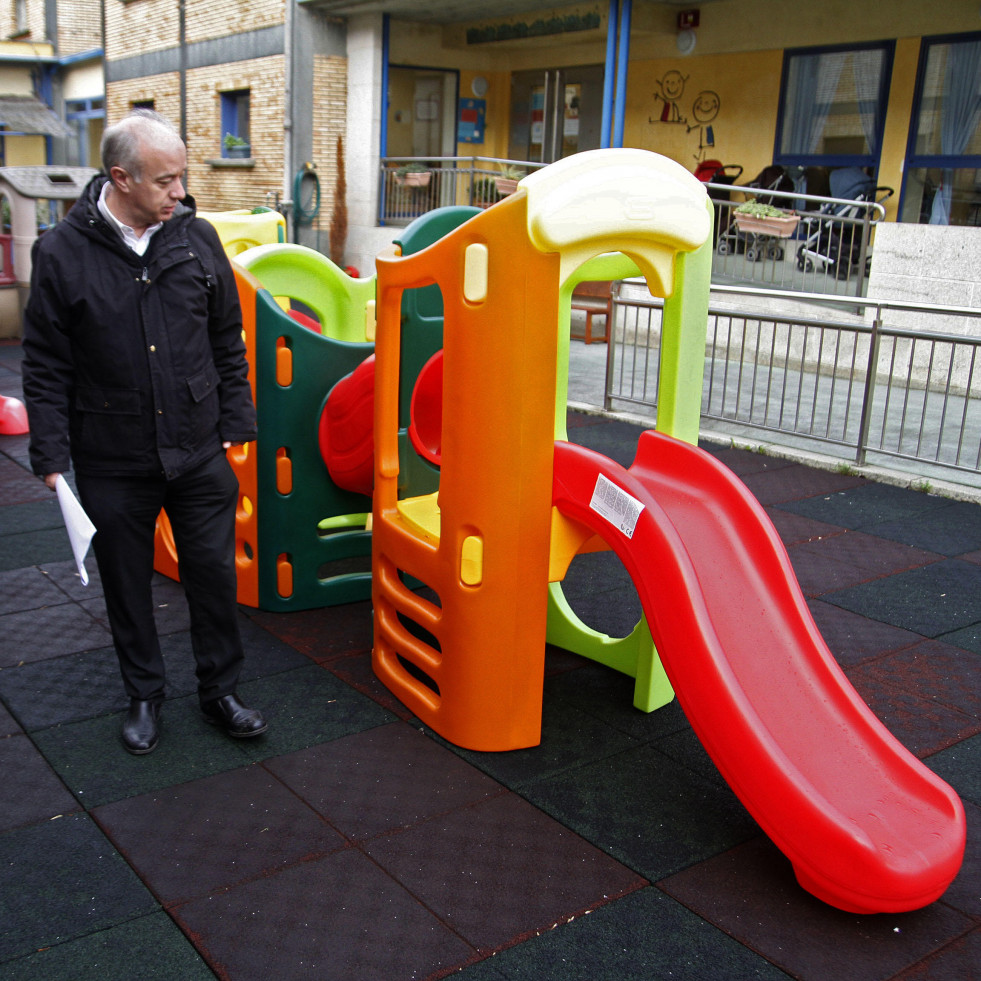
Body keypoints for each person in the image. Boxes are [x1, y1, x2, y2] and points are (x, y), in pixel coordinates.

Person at [22, 109, 267, 754]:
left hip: (197, 445)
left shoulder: (196, 238)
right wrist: (49, 454)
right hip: (112, 454)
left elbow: (225, 337)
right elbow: (45, 362)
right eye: (166, 181)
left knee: (213, 577)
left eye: (182, 176)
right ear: (121, 178)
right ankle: (144, 695)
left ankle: (221, 691)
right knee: (126, 582)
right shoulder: (61, 253)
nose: (180, 192)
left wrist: (236, 420)